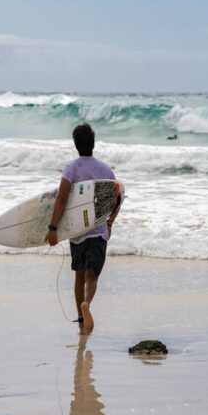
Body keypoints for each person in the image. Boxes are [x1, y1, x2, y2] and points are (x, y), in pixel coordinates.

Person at [45, 123, 120, 335]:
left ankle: (80, 322)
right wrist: (109, 222)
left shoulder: (71, 168)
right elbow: (117, 199)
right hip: (97, 232)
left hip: (77, 232)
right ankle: (87, 303)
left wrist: (53, 228)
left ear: (76, 145)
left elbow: (61, 198)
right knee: (92, 276)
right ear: (93, 144)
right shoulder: (106, 170)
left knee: (78, 276)